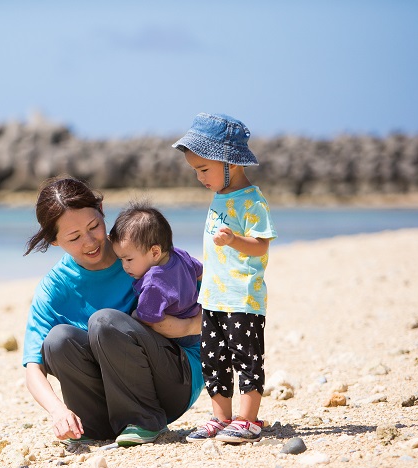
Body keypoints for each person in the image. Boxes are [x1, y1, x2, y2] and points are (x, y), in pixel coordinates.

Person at [22, 176, 204, 447]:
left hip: (174, 382)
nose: (90, 241)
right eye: (74, 237)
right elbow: (33, 366)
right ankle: (95, 427)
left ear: (102, 211)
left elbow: (218, 300)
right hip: (108, 403)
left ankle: (144, 421)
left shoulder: (139, 250)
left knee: (104, 321)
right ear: (55, 240)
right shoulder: (55, 287)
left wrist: (188, 327)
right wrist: (58, 411)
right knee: (58, 340)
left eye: (94, 226)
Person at [172, 113, 277, 444]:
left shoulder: (253, 201)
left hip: (242, 297)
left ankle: (248, 419)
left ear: (229, 161)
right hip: (214, 296)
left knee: (246, 357)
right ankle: (221, 417)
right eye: (196, 171)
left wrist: (234, 241)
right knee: (213, 358)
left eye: (204, 169)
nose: (199, 177)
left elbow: (260, 247)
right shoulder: (219, 196)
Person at [108, 201, 203, 349]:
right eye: (121, 259)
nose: (124, 266)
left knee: (134, 315)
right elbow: (201, 272)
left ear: (155, 252)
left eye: (129, 259)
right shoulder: (180, 254)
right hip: (195, 321)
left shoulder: (153, 282)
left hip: (179, 336)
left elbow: (149, 318)